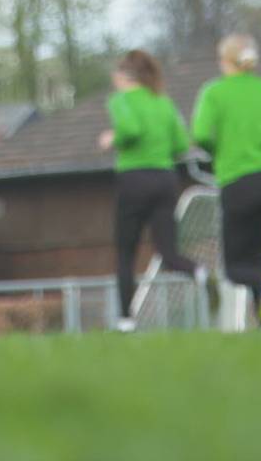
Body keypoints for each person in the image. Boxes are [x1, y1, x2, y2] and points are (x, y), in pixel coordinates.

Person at [192, 34, 261, 327]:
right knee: (258, 254)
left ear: (225, 61)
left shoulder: (215, 92)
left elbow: (201, 133)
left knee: (235, 267)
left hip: (237, 179)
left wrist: (221, 152)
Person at [99, 49, 196, 332]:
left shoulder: (121, 100)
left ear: (125, 76)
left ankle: (126, 319)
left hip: (134, 178)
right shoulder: (163, 102)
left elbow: (130, 129)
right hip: (166, 179)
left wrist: (111, 138)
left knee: (126, 250)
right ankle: (200, 274)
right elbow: (181, 144)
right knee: (168, 252)